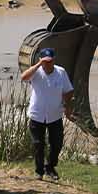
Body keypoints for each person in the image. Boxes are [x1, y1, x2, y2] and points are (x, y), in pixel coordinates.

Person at [20, 47, 74, 180]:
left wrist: (67, 108)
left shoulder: (61, 72)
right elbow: (23, 77)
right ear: (41, 60)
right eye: (45, 61)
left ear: (54, 60)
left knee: (57, 144)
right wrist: (38, 64)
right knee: (38, 144)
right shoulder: (36, 72)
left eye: (50, 61)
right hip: (37, 115)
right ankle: (39, 171)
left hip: (55, 115)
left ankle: (50, 167)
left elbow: (68, 91)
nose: (48, 63)